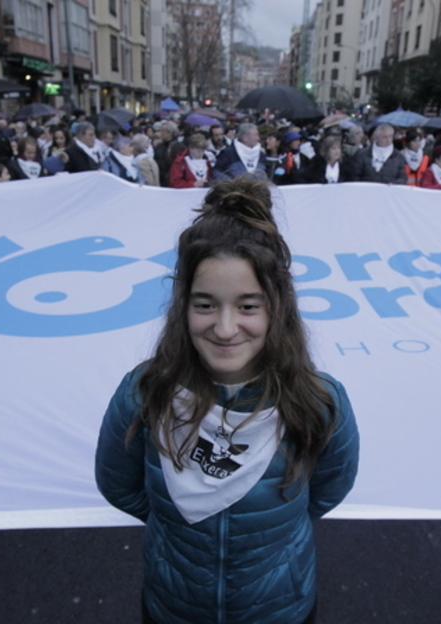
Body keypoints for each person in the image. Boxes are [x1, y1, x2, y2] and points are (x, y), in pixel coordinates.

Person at [95, 176, 359, 624]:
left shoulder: (318, 402)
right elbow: (118, 484)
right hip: (174, 607)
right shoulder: (144, 394)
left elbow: (329, 489)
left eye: (248, 306)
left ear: (278, 305)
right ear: (182, 305)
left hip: (280, 609)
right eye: (205, 305)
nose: (224, 327)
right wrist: (174, 530)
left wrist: (274, 540)